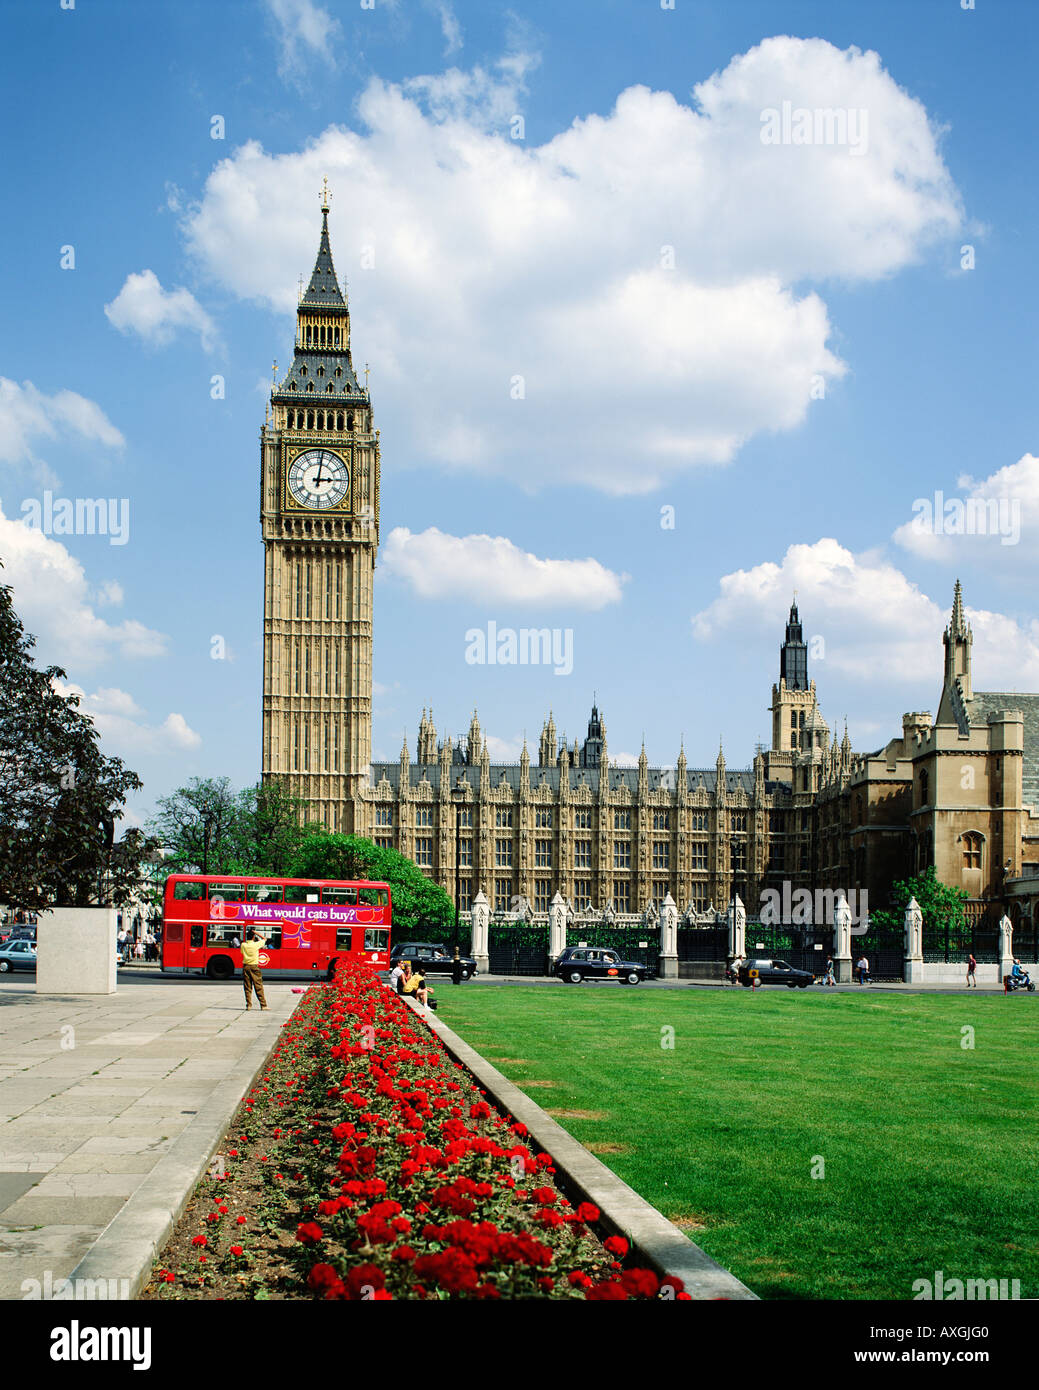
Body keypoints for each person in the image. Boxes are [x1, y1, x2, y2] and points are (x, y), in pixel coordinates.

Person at [241, 929, 268, 1010]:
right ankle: (263, 1005)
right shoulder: (256, 944)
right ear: (253, 937)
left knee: (247, 987)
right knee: (258, 986)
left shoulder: (243, 945)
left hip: (246, 966)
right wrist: (256, 932)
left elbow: (242, 953)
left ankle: (249, 1005)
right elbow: (264, 939)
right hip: (254, 967)